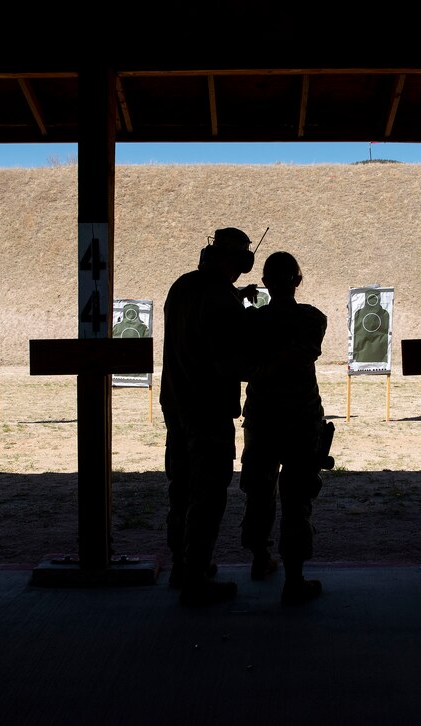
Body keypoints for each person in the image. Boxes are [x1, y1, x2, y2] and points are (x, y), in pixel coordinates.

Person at [160, 227, 256, 606]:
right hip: (208, 408)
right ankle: (196, 579)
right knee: (209, 492)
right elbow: (231, 359)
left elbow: (204, 311)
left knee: (181, 487)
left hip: (177, 403)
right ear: (236, 261)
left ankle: (182, 568)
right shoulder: (221, 298)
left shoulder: (182, 286)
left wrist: (238, 299)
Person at [239, 251, 328, 605]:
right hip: (301, 421)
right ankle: (294, 580)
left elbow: (244, 365)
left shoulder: (252, 323)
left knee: (259, 490)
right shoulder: (312, 320)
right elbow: (301, 353)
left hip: (263, 419)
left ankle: (260, 559)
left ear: (265, 282)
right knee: (296, 496)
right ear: (298, 280)